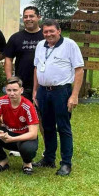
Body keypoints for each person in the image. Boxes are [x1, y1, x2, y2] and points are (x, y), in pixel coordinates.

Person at [33, 19, 84, 176]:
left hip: (61, 91)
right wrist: (35, 91)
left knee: (63, 126)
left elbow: (79, 70)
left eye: (51, 31)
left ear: (59, 31)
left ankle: (66, 163)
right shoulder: (40, 45)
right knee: (47, 126)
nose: (48, 34)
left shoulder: (70, 45)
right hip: (43, 91)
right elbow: (36, 68)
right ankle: (49, 158)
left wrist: (74, 95)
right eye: (45, 32)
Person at [0, 76, 39, 175]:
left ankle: (27, 163)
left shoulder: (28, 106)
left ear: (21, 90)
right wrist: (0, 133)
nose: (12, 93)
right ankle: (3, 161)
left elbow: (33, 134)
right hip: (7, 134)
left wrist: (12, 139)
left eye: (15, 90)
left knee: (28, 149)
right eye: (9, 90)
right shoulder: (2, 101)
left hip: (24, 137)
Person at [4, 6, 44, 100]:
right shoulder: (16, 37)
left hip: (42, 84)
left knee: (41, 113)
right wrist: (10, 81)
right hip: (22, 84)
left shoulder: (45, 36)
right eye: (25, 17)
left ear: (38, 17)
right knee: (21, 113)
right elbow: (8, 59)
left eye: (31, 16)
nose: (28, 19)